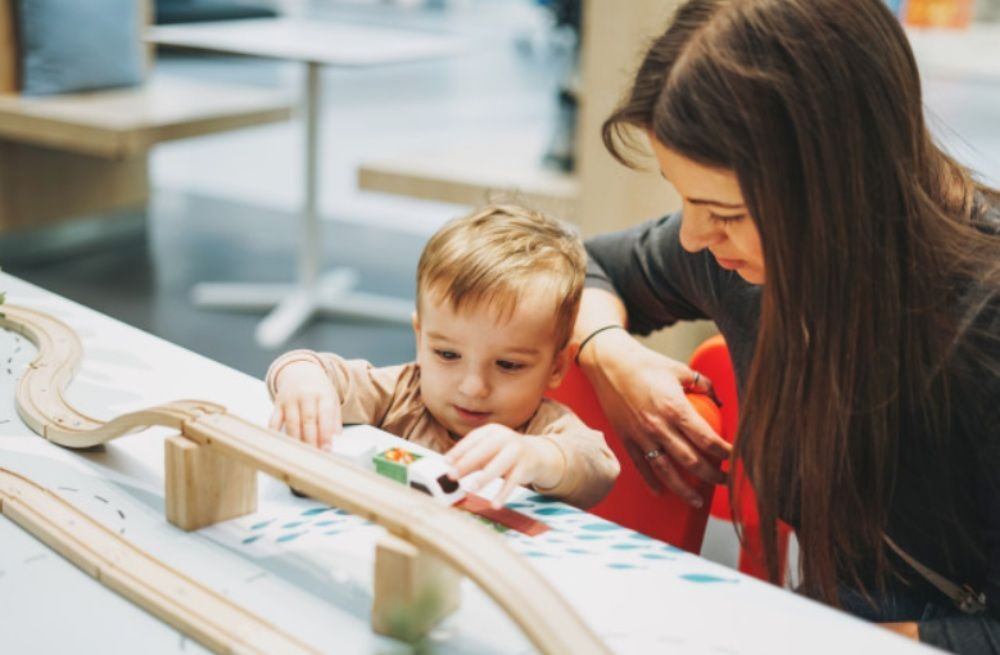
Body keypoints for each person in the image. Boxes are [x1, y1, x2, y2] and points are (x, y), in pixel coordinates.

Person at [572, 0, 999, 651]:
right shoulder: (734, 260)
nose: (693, 236)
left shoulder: (983, 328)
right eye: (683, 199)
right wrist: (610, 353)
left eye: (725, 212)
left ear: (838, 185)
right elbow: (583, 264)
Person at [266, 205, 620, 510]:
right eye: (448, 354)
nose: (473, 387)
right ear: (420, 338)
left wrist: (537, 457)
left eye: (508, 365)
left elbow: (598, 467)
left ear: (556, 366)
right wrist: (301, 377)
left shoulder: (544, 429)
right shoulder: (401, 394)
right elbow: (323, 371)